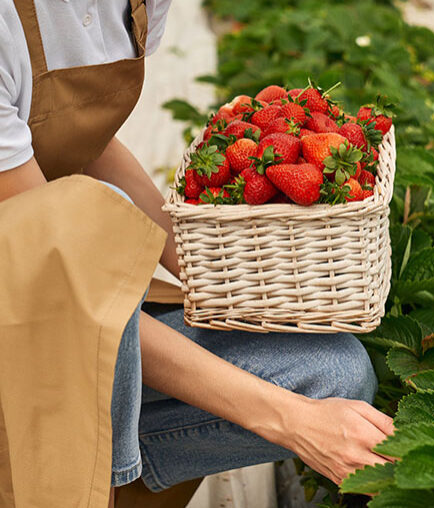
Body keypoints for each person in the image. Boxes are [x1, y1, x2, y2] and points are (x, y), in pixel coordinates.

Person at [0, 1, 394, 507]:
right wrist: (289, 420)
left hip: (79, 296)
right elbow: (63, 283)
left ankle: (112, 482)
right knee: (91, 220)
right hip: (25, 323)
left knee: (335, 375)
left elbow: (78, 139)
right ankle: (76, 485)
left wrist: (209, 263)